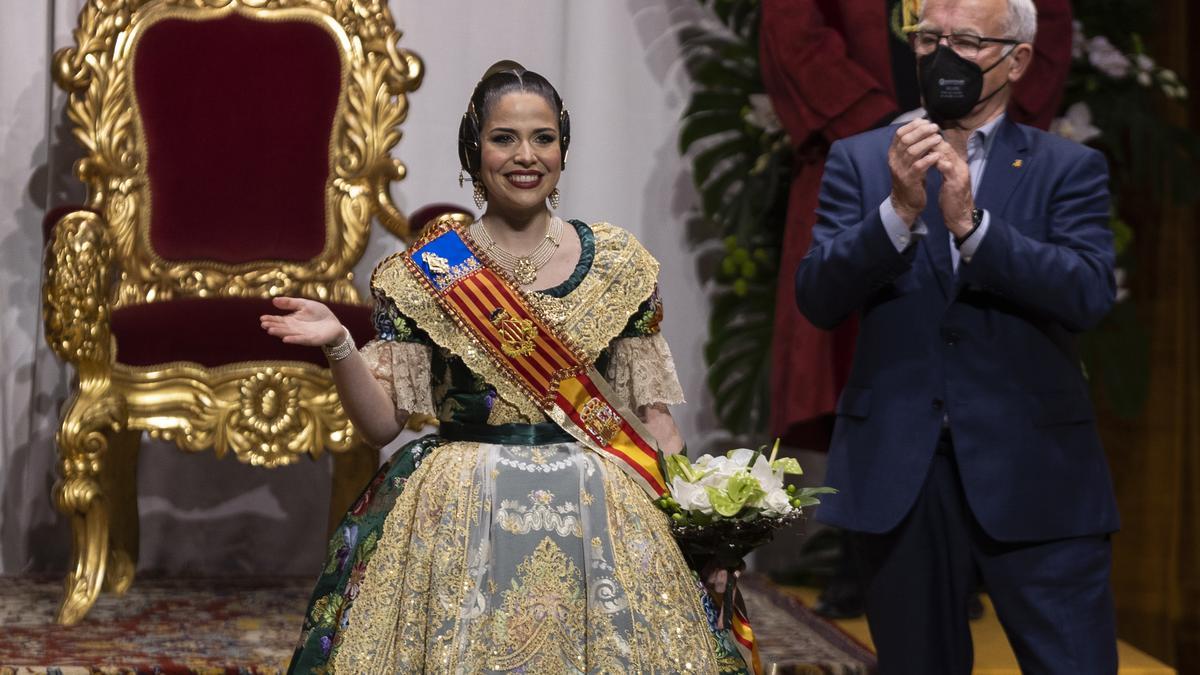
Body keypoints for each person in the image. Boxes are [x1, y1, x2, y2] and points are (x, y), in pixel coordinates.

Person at [262, 62, 750, 673]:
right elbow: (381, 426)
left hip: (600, 508)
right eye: (504, 138)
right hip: (461, 511)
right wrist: (338, 344)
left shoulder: (620, 266)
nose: (526, 156)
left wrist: (700, 534)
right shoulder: (425, 272)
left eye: (543, 138)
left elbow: (657, 429)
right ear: (474, 150)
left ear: (563, 150)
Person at [793, 0, 1119, 671]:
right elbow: (818, 295)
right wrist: (897, 213)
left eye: (968, 40)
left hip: (1036, 471)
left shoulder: (1067, 167)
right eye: (929, 38)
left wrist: (976, 229)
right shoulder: (861, 160)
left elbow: (1087, 294)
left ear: (1017, 59)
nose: (943, 55)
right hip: (899, 473)